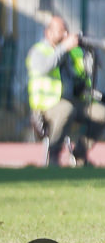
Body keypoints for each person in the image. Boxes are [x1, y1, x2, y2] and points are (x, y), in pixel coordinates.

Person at [26, 14, 105, 166]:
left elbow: (83, 74)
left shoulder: (72, 52)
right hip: (47, 106)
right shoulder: (38, 51)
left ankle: (79, 154)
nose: (65, 35)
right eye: (61, 31)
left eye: (67, 31)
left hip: (74, 101)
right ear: (48, 33)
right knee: (66, 110)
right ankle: (54, 155)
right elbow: (45, 67)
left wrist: (89, 55)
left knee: (101, 114)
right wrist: (63, 48)